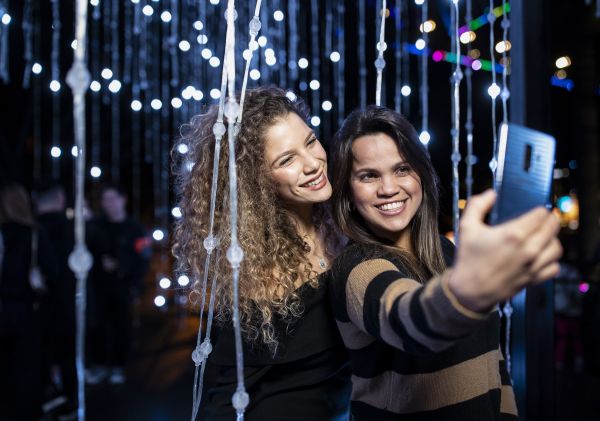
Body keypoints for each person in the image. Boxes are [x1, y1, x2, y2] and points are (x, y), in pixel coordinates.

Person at [329, 106, 562, 420]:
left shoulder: (448, 252)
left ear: (421, 175)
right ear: (348, 191)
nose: (388, 188)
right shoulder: (355, 266)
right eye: (368, 176)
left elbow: (494, 365)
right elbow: (409, 320)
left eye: (401, 169)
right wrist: (469, 289)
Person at [174, 87, 350, 420]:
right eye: (287, 159)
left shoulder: (340, 221)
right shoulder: (260, 269)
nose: (313, 163)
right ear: (258, 181)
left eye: (311, 142)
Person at [0, 184, 57, 421]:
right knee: (27, 367)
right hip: (28, 310)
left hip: (3, 308)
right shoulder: (34, 234)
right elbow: (53, 272)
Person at [90, 184, 150, 384]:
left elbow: (143, 258)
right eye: (105, 200)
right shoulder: (97, 226)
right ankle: (99, 364)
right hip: (99, 286)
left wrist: (132, 281)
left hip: (123, 287)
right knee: (98, 325)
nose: (109, 204)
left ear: (123, 199)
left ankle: (118, 365)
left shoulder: (135, 229)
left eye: (112, 199)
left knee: (121, 326)